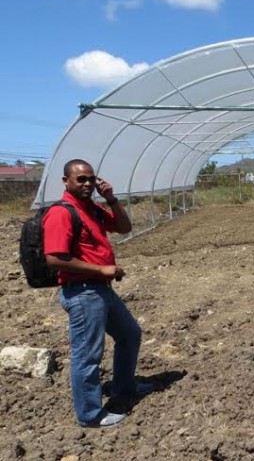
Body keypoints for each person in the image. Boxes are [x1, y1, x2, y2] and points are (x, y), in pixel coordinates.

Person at [43, 159, 153, 427]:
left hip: (100, 289)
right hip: (83, 292)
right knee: (87, 355)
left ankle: (124, 387)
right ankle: (90, 414)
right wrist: (101, 269)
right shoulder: (61, 213)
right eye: (81, 179)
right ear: (66, 181)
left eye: (91, 179)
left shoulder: (91, 209)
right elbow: (54, 258)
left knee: (129, 334)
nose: (88, 184)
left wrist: (111, 199)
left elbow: (124, 228)